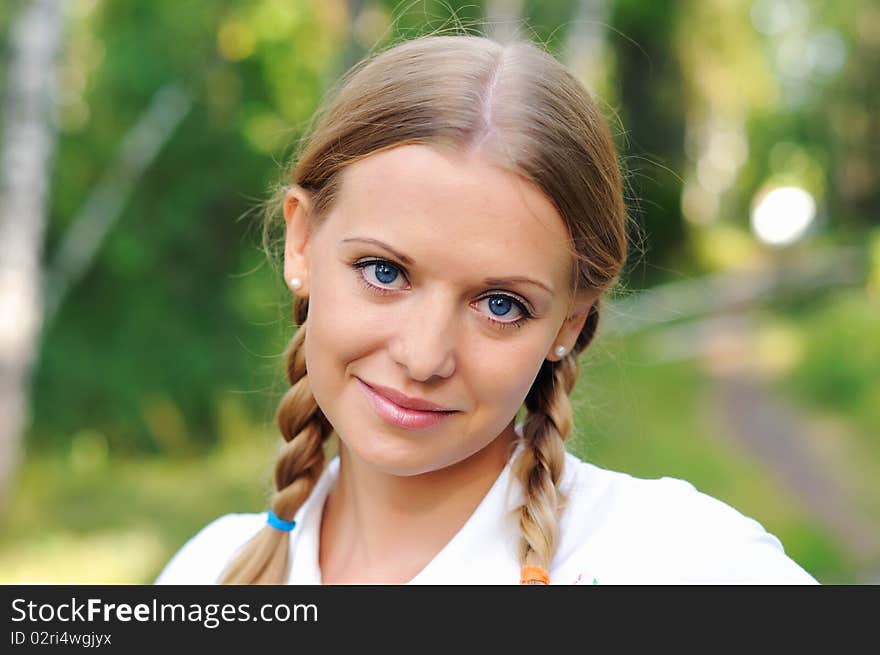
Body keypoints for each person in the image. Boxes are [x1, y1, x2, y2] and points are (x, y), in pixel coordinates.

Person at [155, 33, 816, 585]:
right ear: (301, 241)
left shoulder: (683, 563)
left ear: (569, 322)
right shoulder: (208, 572)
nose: (423, 356)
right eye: (384, 271)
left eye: (500, 304)